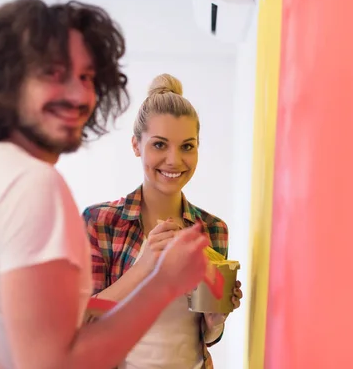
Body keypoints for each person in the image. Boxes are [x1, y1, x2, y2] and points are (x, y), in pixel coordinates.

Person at [0, 0, 212, 369]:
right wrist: (161, 283)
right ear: (6, 78)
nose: (80, 93)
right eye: (53, 72)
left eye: (86, 77)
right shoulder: (31, 186)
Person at [83, 74, 243, 369]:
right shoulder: (100, 222)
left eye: (187, 146)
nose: (174, 160)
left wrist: (216, 318)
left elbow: (204, 337)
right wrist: (145, 267)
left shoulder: (212, 230)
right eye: (159, 145)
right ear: (136, 145)